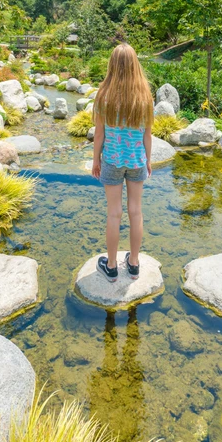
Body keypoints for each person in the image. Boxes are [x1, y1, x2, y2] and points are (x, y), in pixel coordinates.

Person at [92, 43, 153, 282]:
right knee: (136, 212)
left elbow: (99, 134)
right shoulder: (144, 96)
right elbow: (147, 135)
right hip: (136, 160)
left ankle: (112, 266)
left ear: (112, 65)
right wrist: (148, 160)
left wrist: (95, 159)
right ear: (135, 65)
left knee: (114, 213)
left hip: (112, 161)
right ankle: (134, 264)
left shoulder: (104, 95)